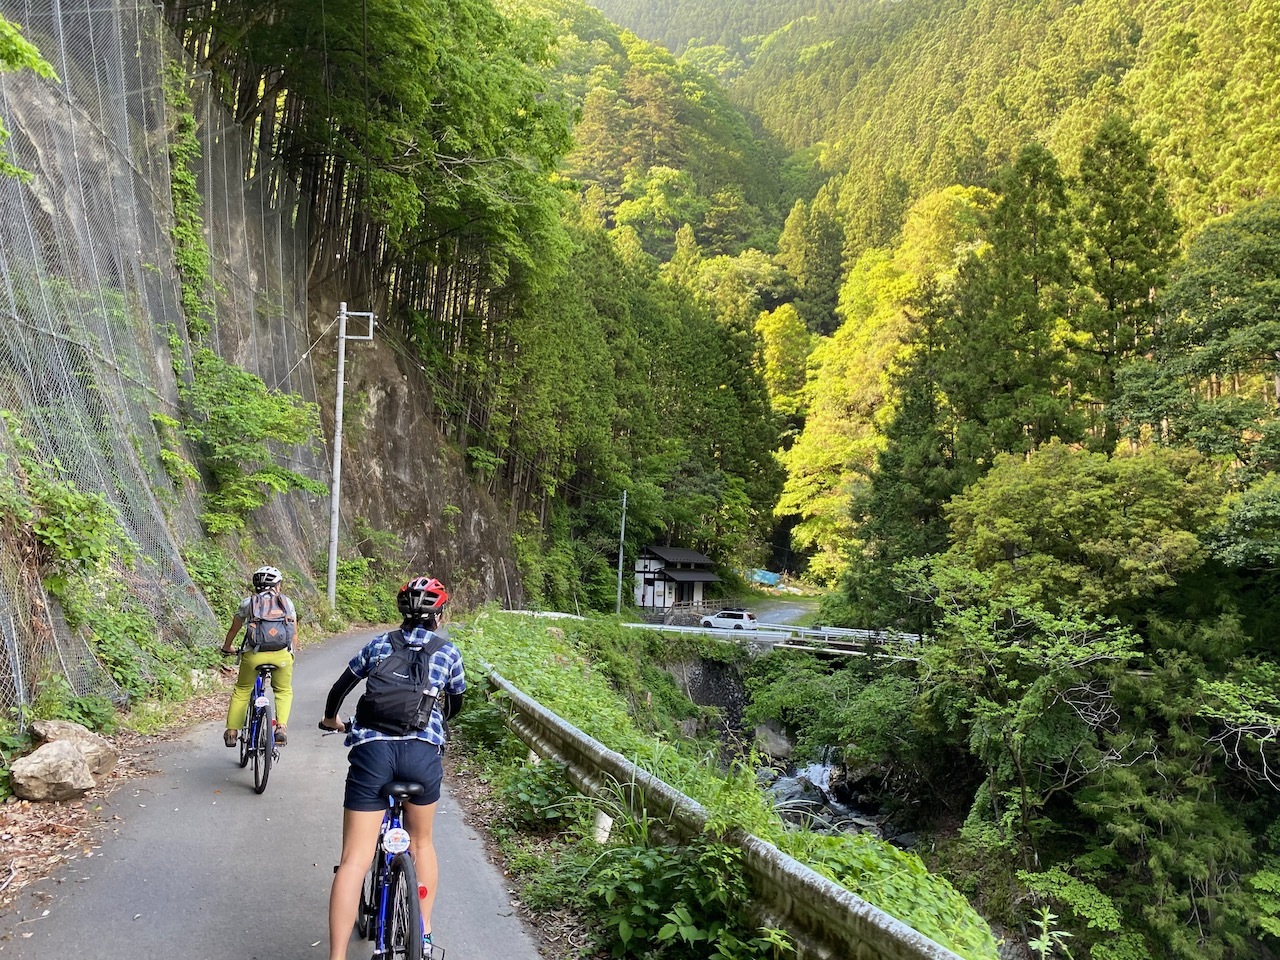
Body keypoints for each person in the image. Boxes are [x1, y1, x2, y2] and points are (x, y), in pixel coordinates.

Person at [319, 575, 466, 959]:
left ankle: (336, 957)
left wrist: (332, 720)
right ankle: (425, 933)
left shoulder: (379, 645)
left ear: (401, 611)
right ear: (439, 615)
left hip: (372, 753)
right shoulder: (448, 653)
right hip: (421, 755)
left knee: (355, 859)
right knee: (422, 843)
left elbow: (340, 687)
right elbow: (456, 704)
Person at [220, 565, 298, 746]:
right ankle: (281, 727)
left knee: (242, 690)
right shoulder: (287, 603)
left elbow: (234, 629)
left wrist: (227, 647)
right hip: (281, 655)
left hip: (254, 655)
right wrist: (291, 654)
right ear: (277, 585)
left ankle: (232, 731)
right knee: (283, 690)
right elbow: (293, 634)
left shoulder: (248, 603)